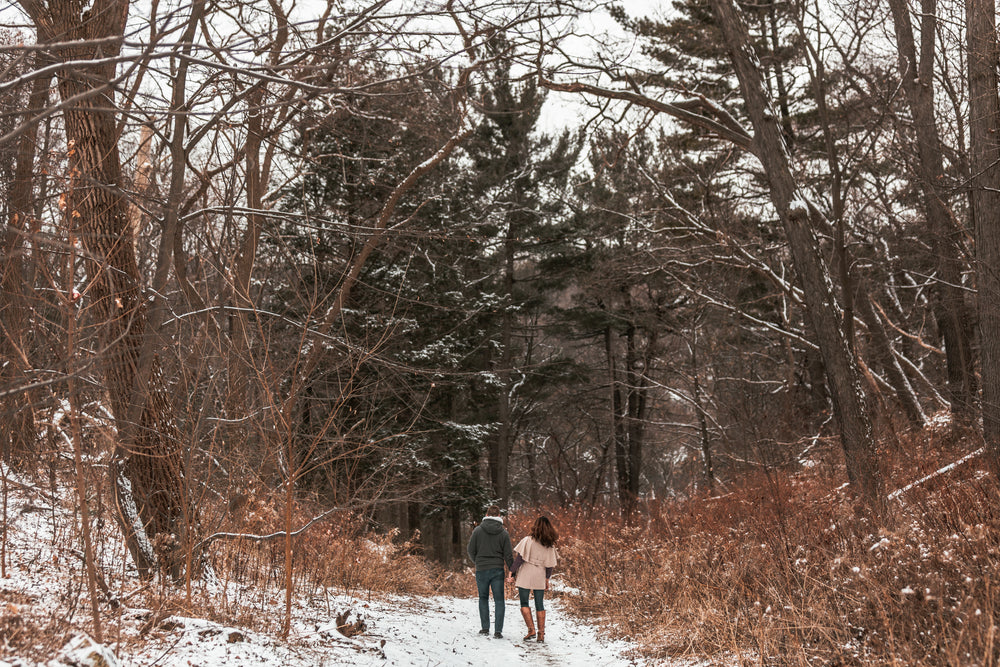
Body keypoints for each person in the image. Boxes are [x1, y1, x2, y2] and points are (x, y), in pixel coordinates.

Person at [508, 516, 558, 642]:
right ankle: (541, 634)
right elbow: (550, 565)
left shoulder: (527, 540)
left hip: (526, 572)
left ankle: (531, 630)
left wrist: (511, 572)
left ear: (535, 526)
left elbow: (519, 559)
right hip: (540, 574)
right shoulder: (549, 545)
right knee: (539, 603)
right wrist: (547, 579)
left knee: (524, 602)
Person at [467, 505, 513, 638]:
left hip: (481, 569)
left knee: (483, 598)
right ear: (499, 516)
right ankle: (498, 631)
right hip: (497, 569)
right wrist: (513, 571)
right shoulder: (503, 533)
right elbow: (508, 555)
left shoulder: (478, 531)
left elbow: (470, 550)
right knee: (499, 600)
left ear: (486, 515)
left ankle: (485, 628)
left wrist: (477, 562)